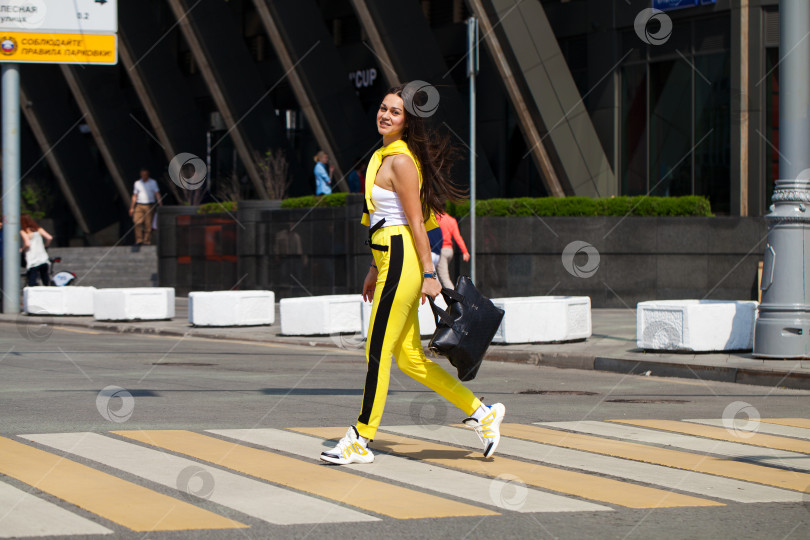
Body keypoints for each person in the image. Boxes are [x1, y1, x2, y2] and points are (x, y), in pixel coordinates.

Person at [320, 83, 506, 466]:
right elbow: (382, 219)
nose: (385, 115)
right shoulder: (383, 156)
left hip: (403, 261)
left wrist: (427, 272)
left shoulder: (401, 161)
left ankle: (360, 438)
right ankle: (482, 413)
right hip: (388, 259)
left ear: (406, 122)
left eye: (395, 112)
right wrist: (373, 268)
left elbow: (416, 223)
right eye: (383, 108)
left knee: (377, 352)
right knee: (408, 359)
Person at [436, 212, 470, 290]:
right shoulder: (451, 220)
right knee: (439, 275)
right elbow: (457, 237)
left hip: (441, 251)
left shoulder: (437, 219)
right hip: (449, 250)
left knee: (444, 278)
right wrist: (465, 251)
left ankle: (455, 297)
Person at [129, 168, 162, 246]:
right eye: (142, 175)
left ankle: (146, 240)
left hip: (149, 205)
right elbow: (134, 195)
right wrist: (132, 207)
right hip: (139, 205)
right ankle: (138, 240)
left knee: (148, 224)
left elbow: (157, 194)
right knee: (137, 221)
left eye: (145, 175)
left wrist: (160, 204)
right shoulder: (137, 183)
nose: (144, 176)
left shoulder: (153, 183)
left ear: (148, 175)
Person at [20, 214, 52, 286]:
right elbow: (49, 237)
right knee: (45, 278)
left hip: (33, 258)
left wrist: (22, 249)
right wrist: (45, 246)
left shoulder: (24, 231)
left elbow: (27, 243)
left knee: (32, 280)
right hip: (43, 257)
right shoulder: (38, 229)